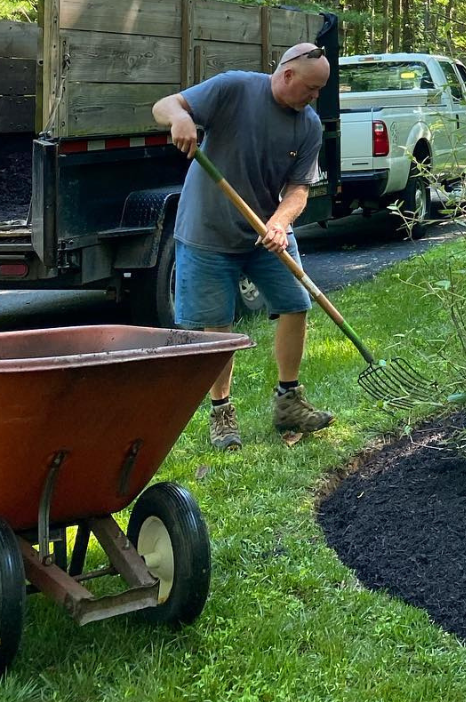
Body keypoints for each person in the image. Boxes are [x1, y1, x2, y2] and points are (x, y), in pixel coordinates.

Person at [152, 43, 334, 451]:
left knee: (295, 302)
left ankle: (288, 401)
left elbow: (299, 189)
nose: (315, 97)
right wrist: (181, 118)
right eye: (311, 88)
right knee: (218, 324)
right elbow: (164, 105)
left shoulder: (309, 125)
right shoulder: (233, 88)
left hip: (266, 234)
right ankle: (222, 413)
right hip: (208, 231)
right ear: (287, 76)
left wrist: (280, 222)